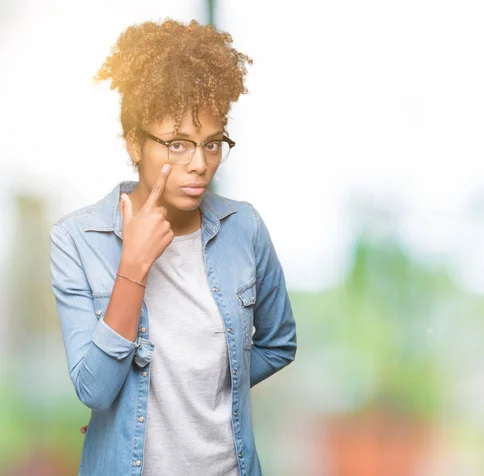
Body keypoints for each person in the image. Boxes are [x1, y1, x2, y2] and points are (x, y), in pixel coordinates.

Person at [49, 19, 297, 476]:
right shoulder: (77, 240)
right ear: (135, 143)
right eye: (178, 144)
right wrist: (134, 266)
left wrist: (188, 396)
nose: (200, 165)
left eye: (212, 144)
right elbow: (95, 391)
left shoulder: (245, 229)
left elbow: (279, 344)